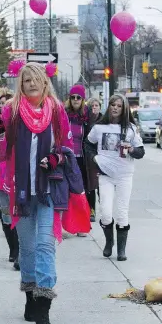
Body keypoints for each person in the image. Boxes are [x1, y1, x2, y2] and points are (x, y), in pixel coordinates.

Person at [1, 62, 76, 324]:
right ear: (20, 85)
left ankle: (43, 303)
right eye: (25, 80)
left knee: (45, 245)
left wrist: (55, 157)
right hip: (20, 190)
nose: (31, 84)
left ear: (45, 82)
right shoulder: (10, 113)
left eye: (35, 79)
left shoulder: (57, 112)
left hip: (48, 190)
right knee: (28, 248)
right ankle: (30, 295)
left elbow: (67, 149)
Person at [85, 94, 145, 262]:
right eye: (113, 105)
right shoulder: (99, 127)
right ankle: (109, 242)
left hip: (125, 175)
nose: (115, 108)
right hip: (105, 174)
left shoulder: (131, 128)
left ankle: (121, 249)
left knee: (122, 212)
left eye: (119, 105)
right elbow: (87, 144)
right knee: (105, 212)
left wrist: (132, 150)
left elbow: (141, 152)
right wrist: (94, 159)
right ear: (109, 106)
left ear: (124, 108)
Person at [65, 85, 97, 231]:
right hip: (67, 158)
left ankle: (83, 223)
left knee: (82, 190)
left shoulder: (88, 116)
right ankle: (68, 223)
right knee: (66, 191)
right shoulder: (64, 114)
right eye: (73, 97)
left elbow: (93, 137)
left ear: (83, 99)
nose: (76, 100)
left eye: (78, 97)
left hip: (83, 159)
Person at [0, 87, 19, 270]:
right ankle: (12, 248)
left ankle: (20, 250)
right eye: (1, 104)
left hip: (17, 175)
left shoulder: (19, 126)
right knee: (6, 212)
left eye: (8, 105)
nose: (4, 107)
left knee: (18, 212)